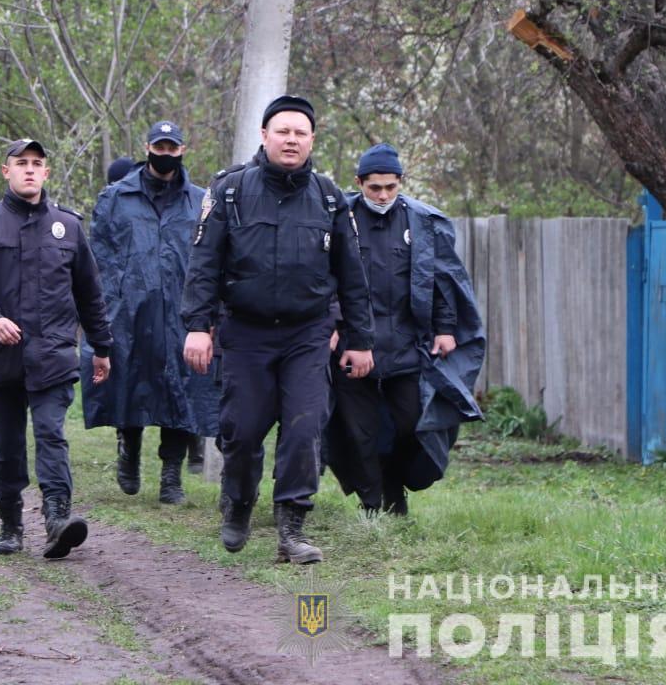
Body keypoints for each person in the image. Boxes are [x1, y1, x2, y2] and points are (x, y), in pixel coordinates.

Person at [180, 95, 375, 565]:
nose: (291, 139)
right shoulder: (229, 192)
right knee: (242, 431)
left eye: (300, 133)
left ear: (311, 141)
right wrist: (197, 327)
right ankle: (238, 503)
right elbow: (204, 264)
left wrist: (360, 340)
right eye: (282, 131)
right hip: (245, 333)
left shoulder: (329, 197)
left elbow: (353, 275)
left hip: (307, 334)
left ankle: (292, 528)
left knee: (305, 427)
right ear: (264, 136)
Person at [0, 138, 112, 560]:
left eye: (37, 164)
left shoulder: (69, 227)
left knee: (51, 434)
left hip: (54, 354)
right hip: (2, 359)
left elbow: (89, 293)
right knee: (8, 445)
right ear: (6, 171)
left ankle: (58, 519)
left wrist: (102, 346)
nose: (29, 170)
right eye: (21, 163)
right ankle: (10, 521)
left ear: (47, 173)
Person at [325, 143, 484, 515]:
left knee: (413, 425)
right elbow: (323, 279)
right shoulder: (338, 220)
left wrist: (445, 328)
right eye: (374, 187)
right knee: (359, 433)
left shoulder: (422, 223)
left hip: (406, 350)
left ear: (400, 183)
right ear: (358, 182)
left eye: (390, 187)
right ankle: (373, 506)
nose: (382, 195)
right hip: (352, 348)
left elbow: (443, 279)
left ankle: (395, 485)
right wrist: (332, 325)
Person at [81, 121, 219, 505]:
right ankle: (129, 451)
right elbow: (100, 255)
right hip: (129, 308)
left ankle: (171, 475)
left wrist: (207, 313)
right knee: (129, 380)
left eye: (172, 147)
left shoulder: (200, 201)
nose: (165, 152)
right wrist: (109, 305)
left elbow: (210, 257)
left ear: (182, 149)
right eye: (159, 145)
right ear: (147, 147)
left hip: (182, 309)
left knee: (181, 388)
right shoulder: (115, 197)